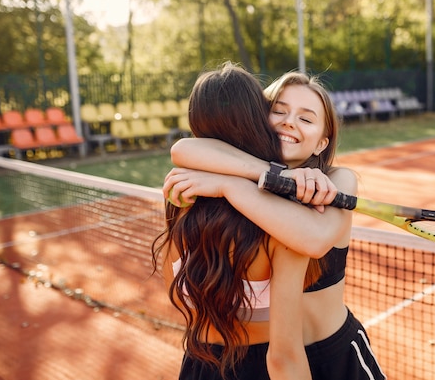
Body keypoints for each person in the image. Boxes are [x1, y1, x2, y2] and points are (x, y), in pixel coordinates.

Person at [165, 70, 386, 379]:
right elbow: (183, 149)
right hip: (273, 359)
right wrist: (275, 175)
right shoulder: (249, 179)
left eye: (306, 119)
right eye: (278, 111)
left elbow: (315, 238)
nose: (289, 122)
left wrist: (229, 186)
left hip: (331, 357)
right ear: (258, 119)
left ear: (322, 143)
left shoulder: (338, 180)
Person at [152, 62, 316, 380]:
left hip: (196, 365)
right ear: (259, 118)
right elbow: (284, 357)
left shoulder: (178, 194)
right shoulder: (282, 216)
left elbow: (173, 283)